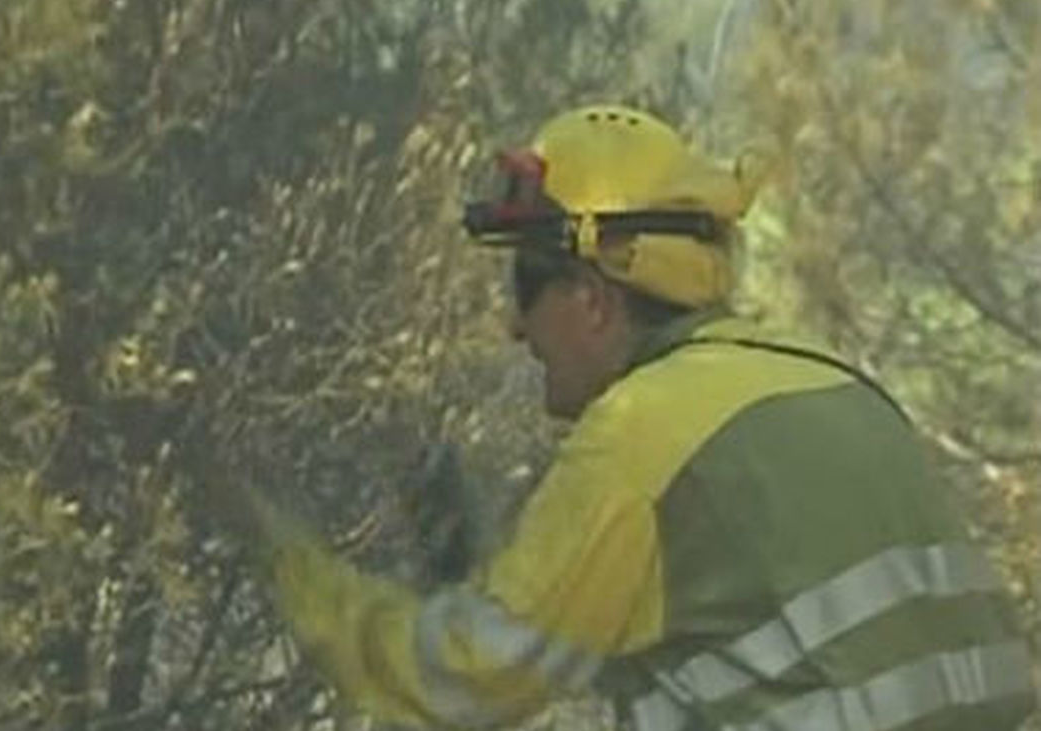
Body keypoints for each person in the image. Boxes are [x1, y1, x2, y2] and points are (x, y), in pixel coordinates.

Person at [224, 105, 1036, 729]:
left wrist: (290, 568)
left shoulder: (641, 434)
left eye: (524, 290)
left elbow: (469, 678)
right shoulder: (825, 379)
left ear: (593, 296)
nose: (514, 327)